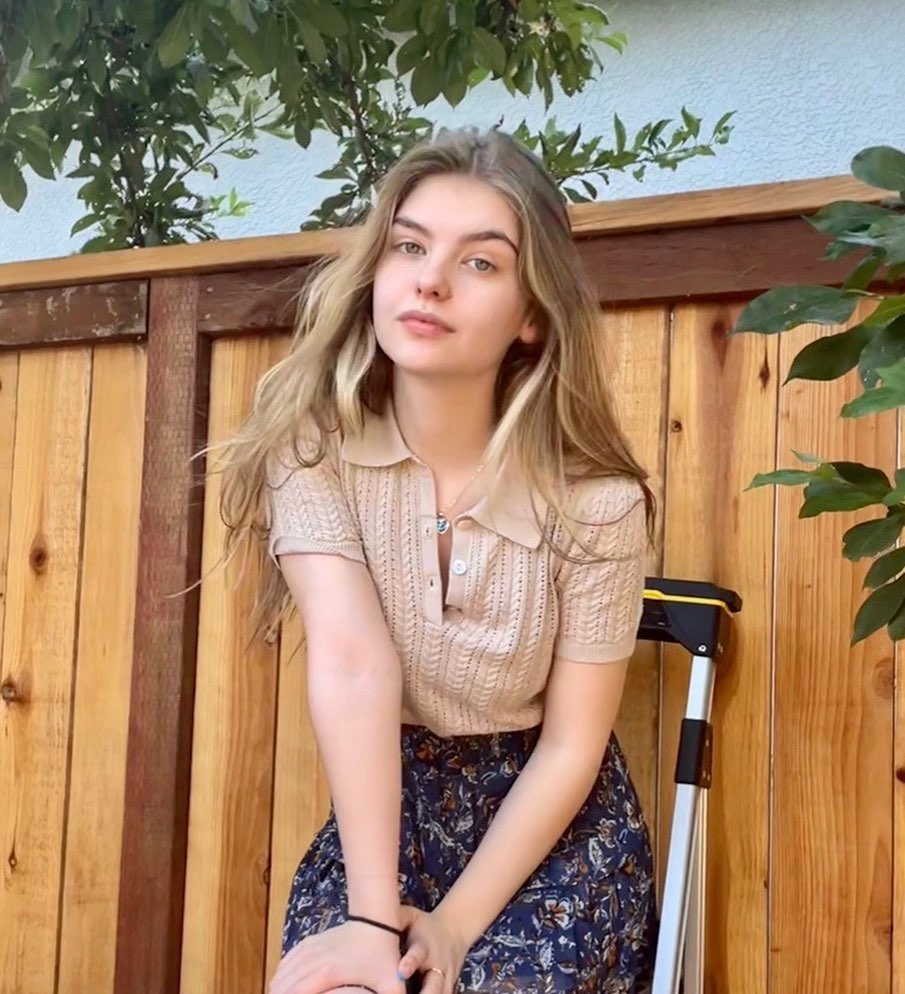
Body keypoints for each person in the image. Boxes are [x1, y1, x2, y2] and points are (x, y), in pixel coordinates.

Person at [218, 126, 658, 994]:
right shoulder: (312, 452)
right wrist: (370, 923)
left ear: (531, 316)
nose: (430, 280)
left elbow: (572, 745)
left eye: (480, 262)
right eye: (409, 246)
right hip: (387, 820)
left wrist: (455, 926)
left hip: (552, 834)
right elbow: (353, 663)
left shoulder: (598, 504)